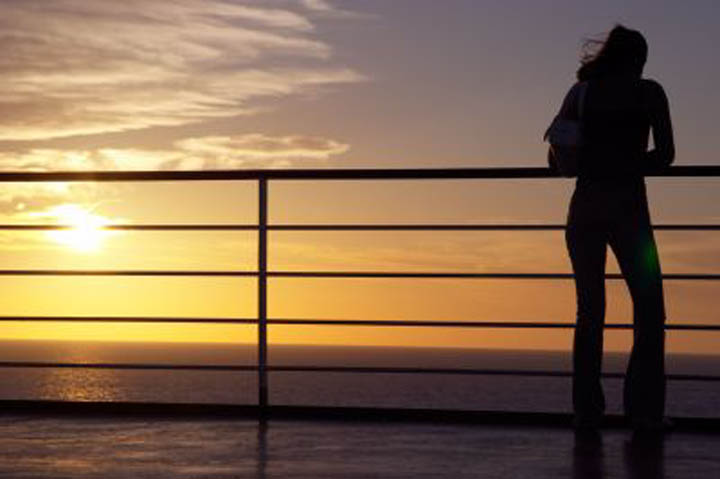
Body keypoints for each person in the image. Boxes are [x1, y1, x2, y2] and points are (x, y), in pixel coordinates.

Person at [551, 25, 675, 431]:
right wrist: (627, 163)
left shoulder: (580, 94)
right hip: (630, 213)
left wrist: (594, 160)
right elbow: (666, 155)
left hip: (583, 210)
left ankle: (587, 413)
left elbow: (559, 161)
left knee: (589, 312)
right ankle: (643, 413)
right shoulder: (649, 93)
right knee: (650, 307)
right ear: (637, 59)